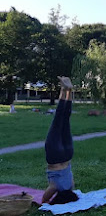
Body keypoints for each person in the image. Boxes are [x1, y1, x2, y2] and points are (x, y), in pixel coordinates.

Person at [42, 76, 79, 204]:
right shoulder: (55, 188)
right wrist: (47, 202)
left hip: (68, 154)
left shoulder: (70, 185)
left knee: (65, 118)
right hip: (55, 156)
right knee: (58, 120)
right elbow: (44, 200)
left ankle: (68, 91)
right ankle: (64, 90)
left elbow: (72, 187)